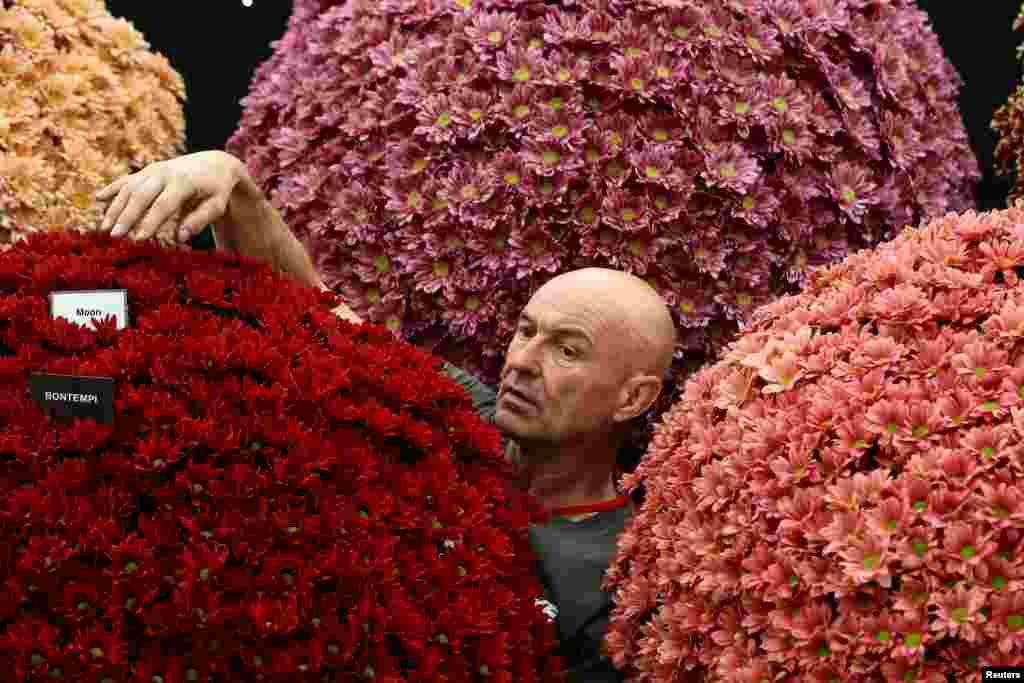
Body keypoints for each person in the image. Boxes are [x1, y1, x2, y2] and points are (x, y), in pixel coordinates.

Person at [96, 151, 676, 682]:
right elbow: (315, 310)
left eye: (567, 350)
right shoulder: (453, 414)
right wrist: (235, 184)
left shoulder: (617, 581)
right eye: (526, 331)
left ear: (632, 398)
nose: (522, 361)